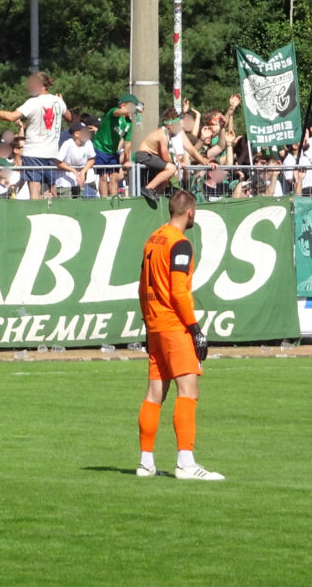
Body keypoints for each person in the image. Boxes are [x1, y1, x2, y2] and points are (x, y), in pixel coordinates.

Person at [136, 189, 223, 480]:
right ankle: (186, 463)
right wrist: (195, 329)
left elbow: (142, 286)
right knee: (188, 392)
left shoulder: (153, 238)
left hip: (155, 326)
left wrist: (148, 322)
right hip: (174, 325)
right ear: (190, 212)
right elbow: (177, 291)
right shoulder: (180, 243)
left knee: (153, 395)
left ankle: (145, 463)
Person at [0, 72, 70, 196]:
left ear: (40, 85)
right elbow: (70, 118)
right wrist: (61, 105)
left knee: (35, 194)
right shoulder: (58, 101)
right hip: (51, 153)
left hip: (34, 154)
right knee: (52, 190)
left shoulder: (33, 102)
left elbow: (11, 117)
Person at [92, 95, 140, 197]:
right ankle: (104, 201)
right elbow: (118, 112)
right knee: (104, 177)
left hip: (113, 151)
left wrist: (126, 159)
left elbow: (127, 142)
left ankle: (113, 199)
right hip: (100, 148)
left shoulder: (129, 123)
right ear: (123, 105)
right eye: (132, 105)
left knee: (114, 177)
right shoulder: (113, 112)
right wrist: (134, 108)